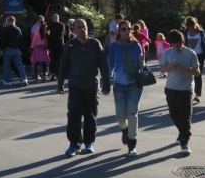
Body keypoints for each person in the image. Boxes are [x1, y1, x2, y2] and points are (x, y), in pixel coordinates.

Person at [58, 19, 110, 156]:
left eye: (84, 27)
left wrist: (106, 84)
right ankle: (74, 144)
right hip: (75, 85)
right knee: (73, 115)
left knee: (90, 115)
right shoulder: (70, 45)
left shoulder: (95, 44)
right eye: (79, 27)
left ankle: (89, 142)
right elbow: (63, 65)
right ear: (74, 30)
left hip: (91, 86)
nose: (82, 30)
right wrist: (60, 84)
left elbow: (103, 65)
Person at [160, 30, 200, 156]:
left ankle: (184, 142)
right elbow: (162, 69)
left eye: (178, 45)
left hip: (185, 88)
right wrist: (169, 67)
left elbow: (197, 72)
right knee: (174, 115)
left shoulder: (190, 53)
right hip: (171, 87)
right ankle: (182, 132)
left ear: (183, 42)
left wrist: (183, 68)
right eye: (174, 45)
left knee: (185, 116)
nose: (176, 48)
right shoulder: (167, 53)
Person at [108, 20, 144, 156]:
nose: (126, 31)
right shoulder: (114, 46)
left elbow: (142, 66)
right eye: (123, 29)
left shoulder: (136, 45)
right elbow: (110, 65)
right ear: (119, 31)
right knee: (120, 116)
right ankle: (125, 130)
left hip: (134, 84)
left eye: (129, 29)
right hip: (119, 85)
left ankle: (132, 143)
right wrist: (106, 81)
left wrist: (142, 62)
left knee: (132, 114)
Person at [184, 17, 205, 104]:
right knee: (188, 74)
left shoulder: (200, 32)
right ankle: (187, 93)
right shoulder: (185, 32)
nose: (191, 29)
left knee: (198, 75)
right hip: (188, 55)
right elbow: (183, 44)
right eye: (189, 27)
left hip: (199, 55)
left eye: (192, 27)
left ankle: (198, 94)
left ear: (195, 24)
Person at [0, 17, 28, 87]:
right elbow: (21, 41)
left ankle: (8, 81)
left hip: (8, 49)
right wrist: (20, 49)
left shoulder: (6, 29)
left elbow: (3, 40)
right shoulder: (18, 29)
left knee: (7, 65)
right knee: (20, 65)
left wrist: (1, 49)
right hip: (16, 49)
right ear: (14, 21)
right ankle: (24, 79)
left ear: (8, 21)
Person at [47, 14, 66, 80]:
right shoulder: (62, 25)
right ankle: (58, 73)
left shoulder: (49, 25)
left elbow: (47, 33)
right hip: (60, 43)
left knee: (52, 58)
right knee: (59, 59)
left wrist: (49, 38)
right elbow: (63, 33)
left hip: (52, 44)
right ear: (58, 18)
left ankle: (52, 72)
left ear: (53, 18)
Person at [30, 17, 49, 81]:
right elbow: (48, 40)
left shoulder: (37, 32)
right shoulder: (47, 33)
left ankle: (36, 75)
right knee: (44, 63)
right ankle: (44, 75)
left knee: (36, 63)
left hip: (37, 49)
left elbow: (34, 41)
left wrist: (31, 47)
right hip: (44, 49)